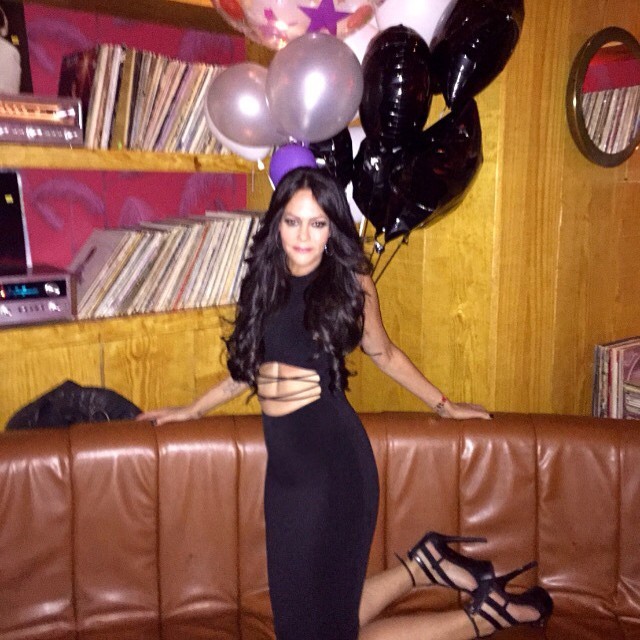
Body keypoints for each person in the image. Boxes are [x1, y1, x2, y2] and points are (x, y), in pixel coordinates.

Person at [138, 167, 552, 639]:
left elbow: (385, 354)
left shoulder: (351, 282)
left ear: (333, 228)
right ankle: (423, 565)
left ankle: (487, 615)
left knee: (327, 630)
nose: (303, 236)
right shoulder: (263, 280)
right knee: (303, 624)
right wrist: (192, 409)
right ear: (277, 224)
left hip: (335, 472)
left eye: (317, 224)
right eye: (293, 221)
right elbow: (250, 368)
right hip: (286, 479)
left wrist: (444, 404)